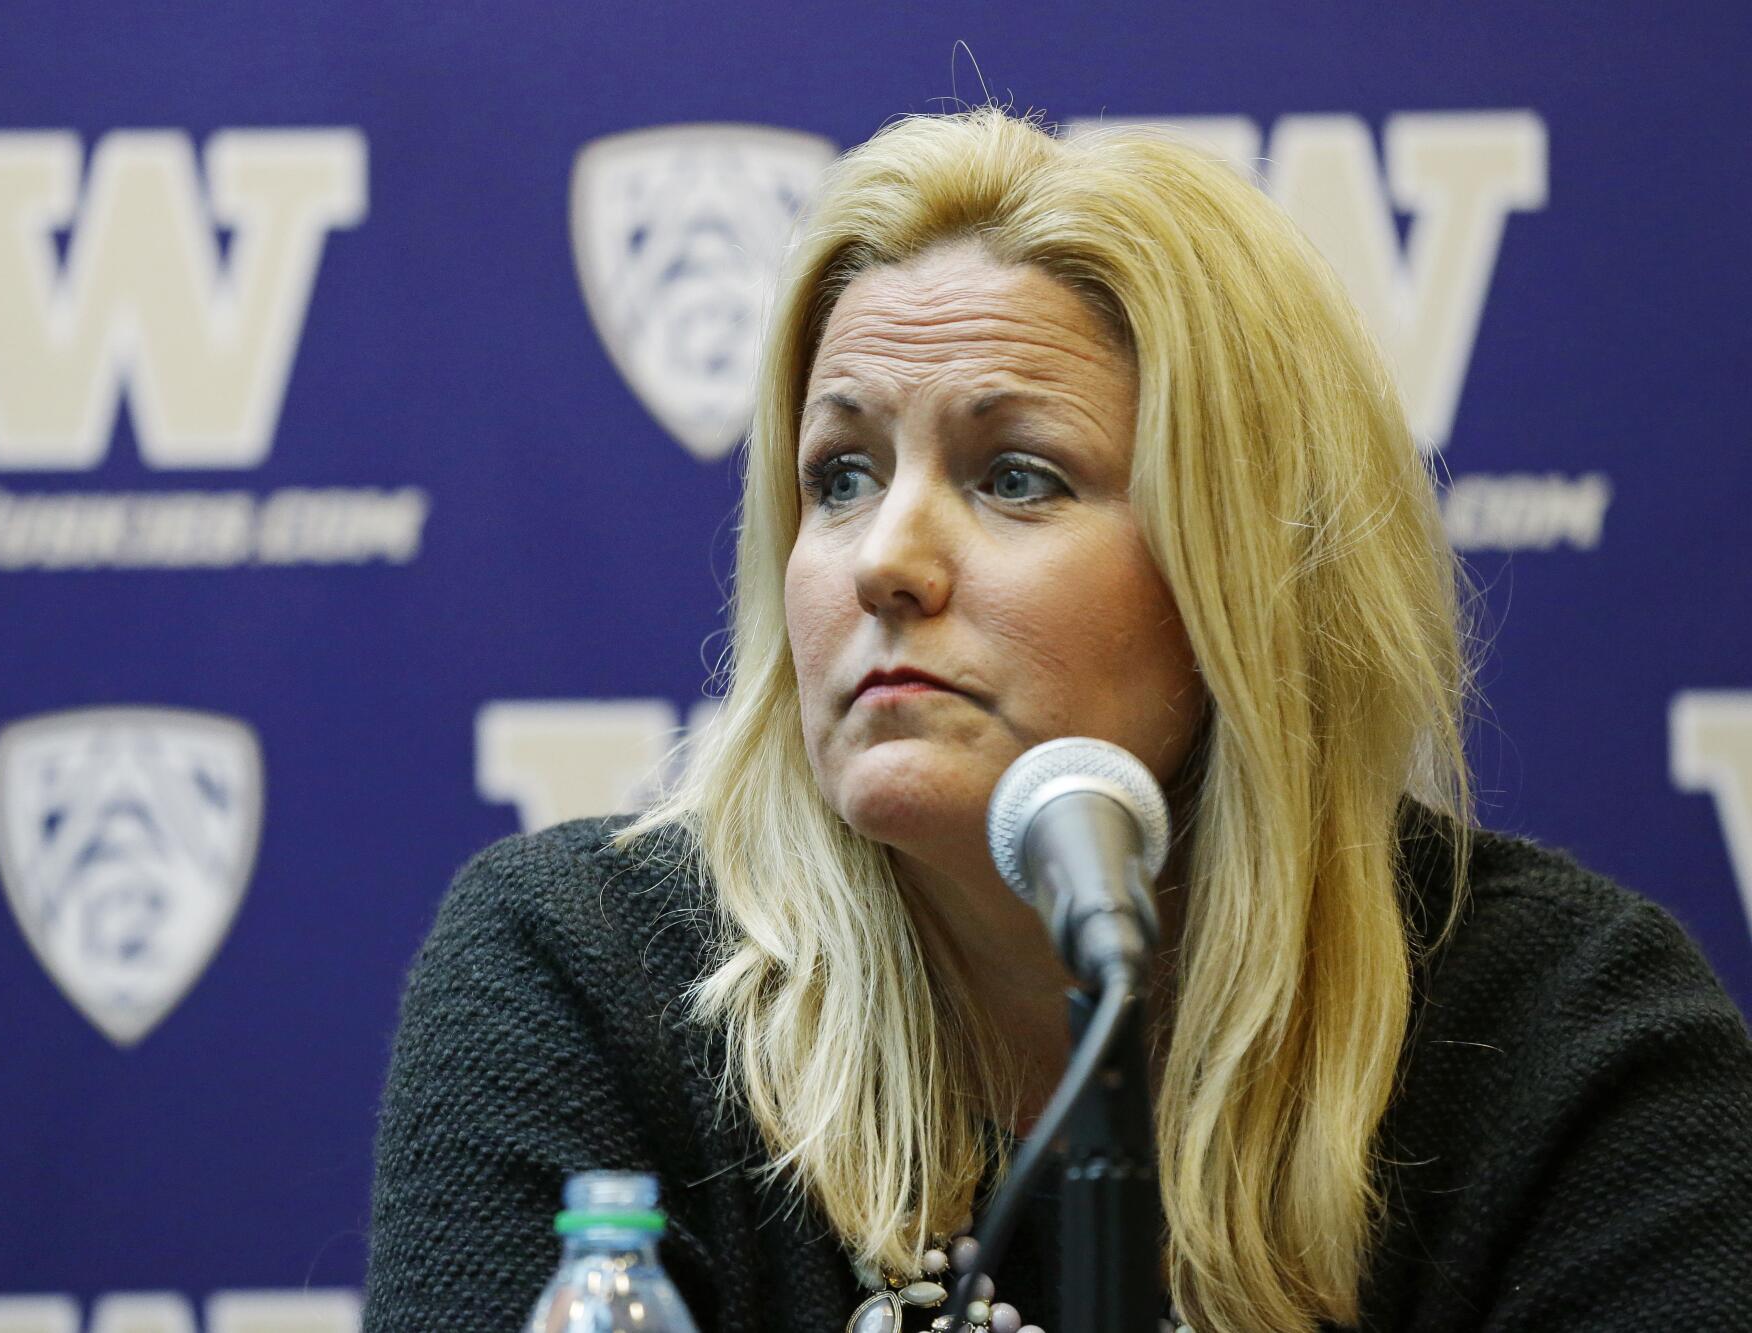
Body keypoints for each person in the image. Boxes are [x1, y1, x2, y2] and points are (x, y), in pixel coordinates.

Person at [363, 107, 1752, 1332]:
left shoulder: (1565, 1034)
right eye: (839, 474)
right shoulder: (590, 974)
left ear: (1249, 581)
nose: (881, 559)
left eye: (1017, 476)